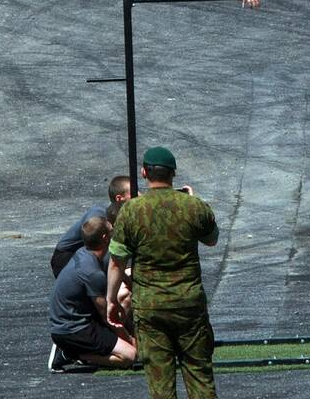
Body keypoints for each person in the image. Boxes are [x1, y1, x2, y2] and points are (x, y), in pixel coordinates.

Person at [107, 147, 220, 399]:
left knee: (161, 385)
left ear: (145, 173)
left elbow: (116, 262)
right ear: (174, 174)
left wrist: (112, 300)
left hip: (150, 307)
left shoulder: (131, 211)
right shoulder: (194, 207)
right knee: (200, 377)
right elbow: (211, 239)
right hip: (188, 304)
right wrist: (194, 201)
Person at [48, 216, 137, 372]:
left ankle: (79, 350)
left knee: (122, 296)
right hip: (74, 330)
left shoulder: (84, 252)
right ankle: (73, 354)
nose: (114, 231)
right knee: (130, 356)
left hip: (70, 321)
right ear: (105, 237)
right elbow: (108, 317)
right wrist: (129, 339)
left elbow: (115, 268)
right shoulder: (92, 273)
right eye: (111, 230)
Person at [50, 175, 132, 278]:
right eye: (134, 193)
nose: (139, 195)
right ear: (119, 199)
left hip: (88, 256)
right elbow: (98, 248)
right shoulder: (98, 215)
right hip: (66, 258)